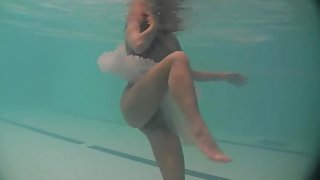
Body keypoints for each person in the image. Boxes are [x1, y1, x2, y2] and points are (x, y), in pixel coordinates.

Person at [97, 0, 247, 179]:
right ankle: (198, 128)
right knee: (178, 58)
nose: (179, 18)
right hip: (135, 103)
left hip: (157, 119)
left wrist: (224, 76)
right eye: (174, 12)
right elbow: (138, 44)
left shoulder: (171, 41)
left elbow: (187, 73)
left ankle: (195, 128)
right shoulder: (135, 23)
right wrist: (153, 26)